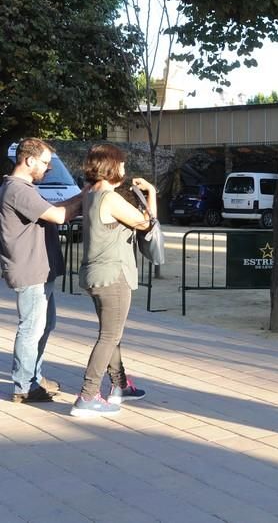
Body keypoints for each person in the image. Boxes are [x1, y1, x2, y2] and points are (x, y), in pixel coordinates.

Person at [70, 144, 155, 417]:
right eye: (121, 164)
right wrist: (151, 193)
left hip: (94, 274)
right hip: (113, 276)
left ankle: (120, 385)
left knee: (111, 333)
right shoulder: (109, 196)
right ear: (111, 166)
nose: (124, 169)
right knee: (109, 335)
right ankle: (87, 396)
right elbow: (146, 223)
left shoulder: (91, 194)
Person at [0, 138, 83, 403]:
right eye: (45, 163)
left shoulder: (24, 188)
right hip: (30, 270)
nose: (48, 169)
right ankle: (24, 386)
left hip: (38, 269)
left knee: (45, 324)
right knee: (32, 328)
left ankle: (33, 378)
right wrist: (86, 194)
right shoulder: (18, 189)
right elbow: (58, 216)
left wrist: (82, 195)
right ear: (29, 160)